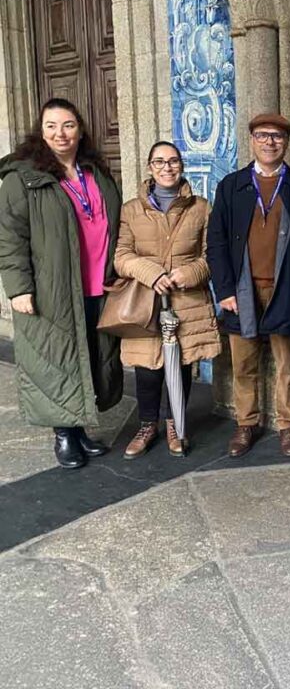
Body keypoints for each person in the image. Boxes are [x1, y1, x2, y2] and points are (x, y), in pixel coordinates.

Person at [0, 98, 122, 468]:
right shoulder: (23, 178)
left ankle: (81, 427)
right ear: (41, 131)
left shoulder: (95, 172)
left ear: (80, 129)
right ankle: (64, 436)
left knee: (87, 354)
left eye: (68, 125)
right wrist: (19, 288)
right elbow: (9, 237)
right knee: (56, 360)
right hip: (51, 289)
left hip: (97, 286)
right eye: (51, 126)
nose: (60, 133)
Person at [207, 113, 290, 458]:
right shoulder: (231, 185)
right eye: (262, 135)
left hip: (285, 287)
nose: (270, 141)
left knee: (288, 362)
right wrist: (225, 291)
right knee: (243, 364)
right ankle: (247, 423)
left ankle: (288, 426)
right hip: (242, 290)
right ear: (252, 140)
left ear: (287, 143)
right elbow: (217, 243)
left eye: (277, 136)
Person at [115, 141, 220, 458]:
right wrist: (152, 273)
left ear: (182, 166)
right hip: (146, 301)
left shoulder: (201, 207)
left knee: (181, 365)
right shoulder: (132, 210)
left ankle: (176, 422)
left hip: (186, 300)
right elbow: (121, 257)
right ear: (149, 167)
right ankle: (148, 425)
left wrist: (187, 274)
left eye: (173, 161)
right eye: (159, 161)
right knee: (147, 368)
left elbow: (211, 255)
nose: (167, 167)